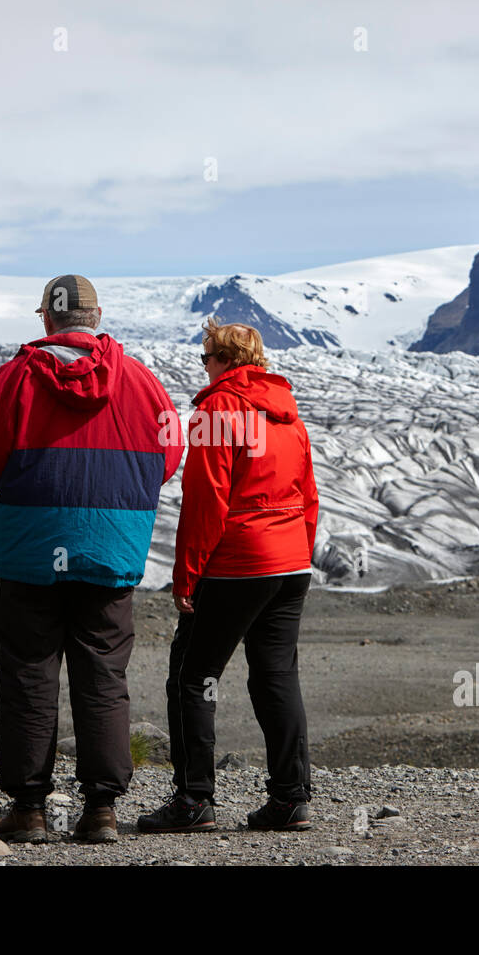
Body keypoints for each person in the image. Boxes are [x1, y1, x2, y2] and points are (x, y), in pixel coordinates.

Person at [0, 274, 182, 844]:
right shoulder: (139, 380)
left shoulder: (16, 377)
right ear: (98, 315)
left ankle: (30, 809)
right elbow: (170, 449)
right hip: (109, 549)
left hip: (30, 551)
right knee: (103, 673)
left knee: (30, 673)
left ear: (46, 318)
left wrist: (30, 481)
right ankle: (101, 810)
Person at [138, 318, 319, 834]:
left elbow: (205, 502)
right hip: (289, 563)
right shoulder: (288, 413)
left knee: (193, 677)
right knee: (276, 676)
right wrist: (298, 552)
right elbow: (309, 493)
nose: (204, 367)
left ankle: (194, 800)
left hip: (240, 562)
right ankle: (290, 798)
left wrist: (186, 576)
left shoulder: (218, 408)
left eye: (205, 358)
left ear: (221, 360)